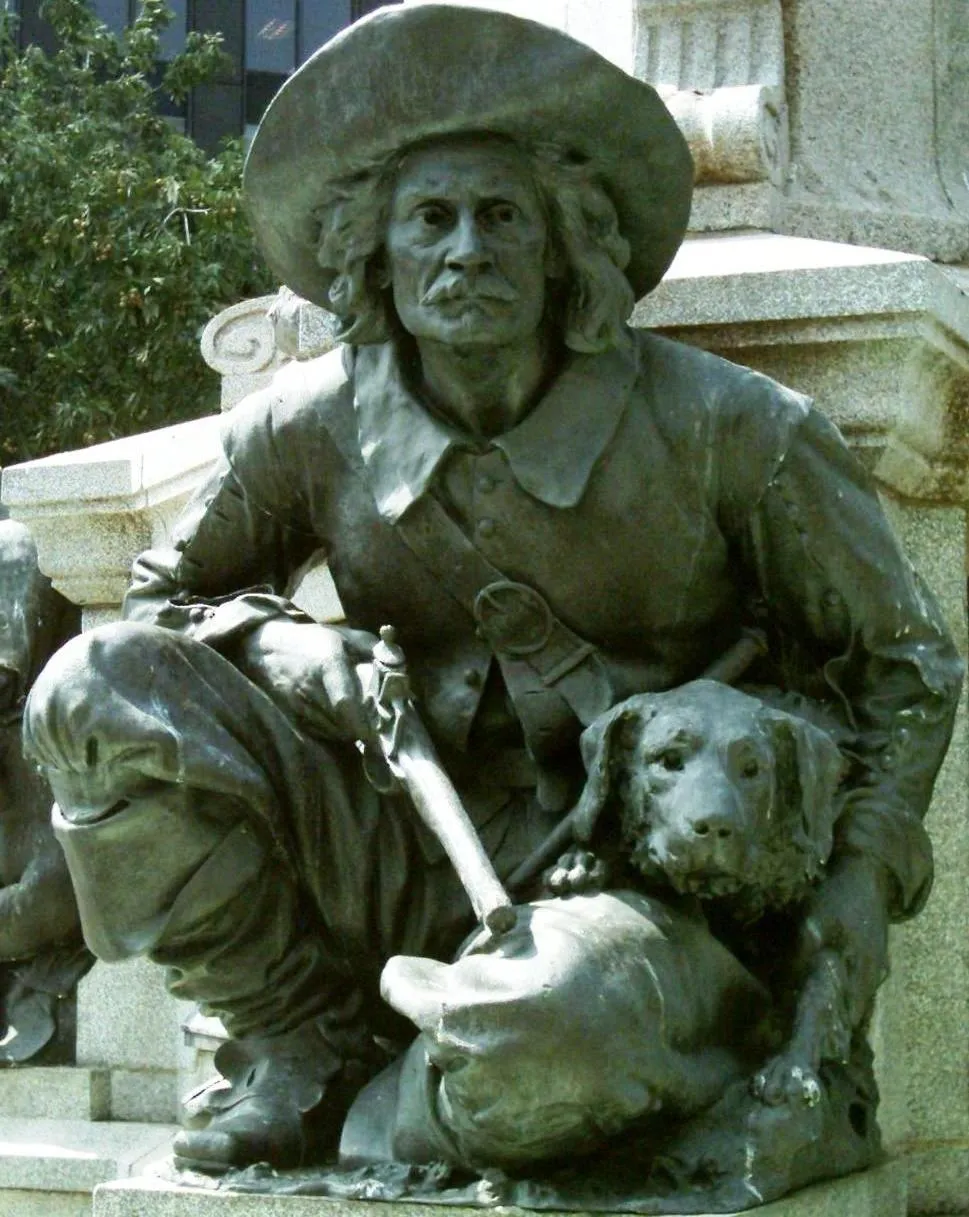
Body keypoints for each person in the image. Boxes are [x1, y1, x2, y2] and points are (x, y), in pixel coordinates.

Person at [21, 2, 962, 1189]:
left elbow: (906, 664)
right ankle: (301, 1046)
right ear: (377, 254)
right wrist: (278, 647)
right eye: (431, 220)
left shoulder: (734, 429)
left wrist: (857, 890)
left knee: (540, 1053)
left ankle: (464, 1071)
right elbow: (160, 602)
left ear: (568, 247)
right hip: (388, 841)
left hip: (628, 884)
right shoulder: (310, 424)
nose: (465, 251)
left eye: (502, 217)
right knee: (91, 692)